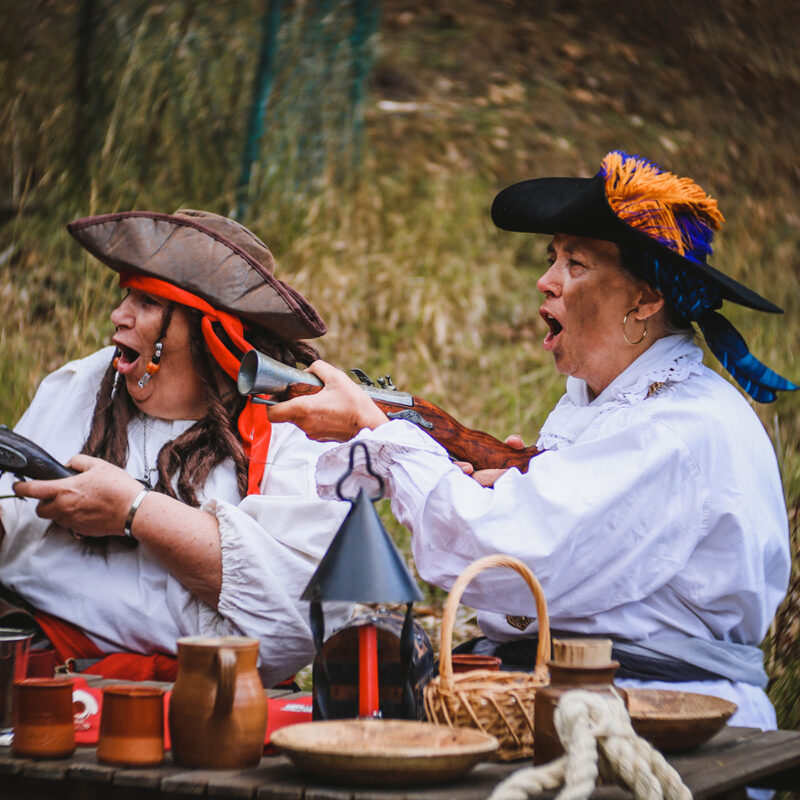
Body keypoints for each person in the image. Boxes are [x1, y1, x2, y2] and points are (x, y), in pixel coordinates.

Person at [266, 151, 797, 728]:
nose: (545, 280)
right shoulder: (598, 404)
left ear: (645, 299)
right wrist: (504, 481)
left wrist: (382, 432)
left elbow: (507, 559)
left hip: (669, 719)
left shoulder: (676, 428)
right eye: (552, 258)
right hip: (579, 700)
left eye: (576, 263)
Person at [0, 209, 351, 686]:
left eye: (145, 301)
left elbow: (302, 618)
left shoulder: (293, 429)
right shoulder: (82, 385)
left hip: (220, 700)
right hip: (50, 671)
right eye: (126, 295)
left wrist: (134, 510)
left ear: (210, 331)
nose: (118, 316)